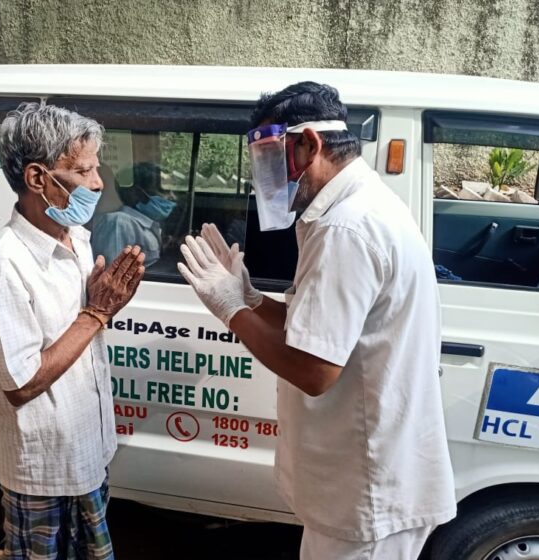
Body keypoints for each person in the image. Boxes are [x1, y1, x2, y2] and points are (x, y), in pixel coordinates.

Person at [177, 82, 456, 559]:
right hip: (367, 482)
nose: (263, 178)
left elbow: (315, 369)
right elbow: (320, 328)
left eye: (271, 158)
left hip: (365, 492)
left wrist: (232, 310)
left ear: (310, 143)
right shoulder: (361, 206)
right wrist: (250, 298)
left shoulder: (344, 227)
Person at [0, 102, 145, 560]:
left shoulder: (76, 238)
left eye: (97, 167)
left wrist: (100, 305)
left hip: (88, 451)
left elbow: (76, 335)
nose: (98, 182)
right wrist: (95, 315)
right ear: (38, 178)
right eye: (83, 170)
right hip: (44, 472)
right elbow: (21, 384)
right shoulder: (2, 265)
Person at [91, 162, 176, 268]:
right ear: (138, 193)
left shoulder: (147, 222)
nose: (173, 196)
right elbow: (112, 273)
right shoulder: (120, 224)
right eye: (164, 190)